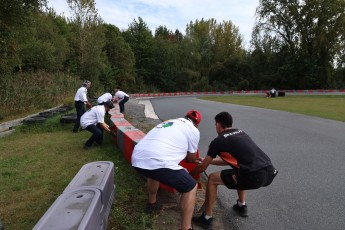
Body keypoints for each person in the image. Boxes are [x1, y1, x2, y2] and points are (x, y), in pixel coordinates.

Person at [190, 112, 278, 229]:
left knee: (212, 178)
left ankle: (207, 218)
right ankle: (241, 206)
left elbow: (202, 167)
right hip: (270, 172)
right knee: (238, 170)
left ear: (218, 124)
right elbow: (230, 160)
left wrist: (189, 174)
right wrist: (209, 161)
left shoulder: (218, 141)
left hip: (252, 176)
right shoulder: (241, 133)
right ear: (231, 124)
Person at [131, 110, 202, 230]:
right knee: (190, 186)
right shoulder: (193, 130)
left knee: (154, 173)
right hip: (158, 160)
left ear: (184, 117)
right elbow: (191, 158)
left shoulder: (168, 122)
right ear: (197, 124)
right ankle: (186, 227)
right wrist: (194, 160)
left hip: (138, 158)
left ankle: (152, 203)